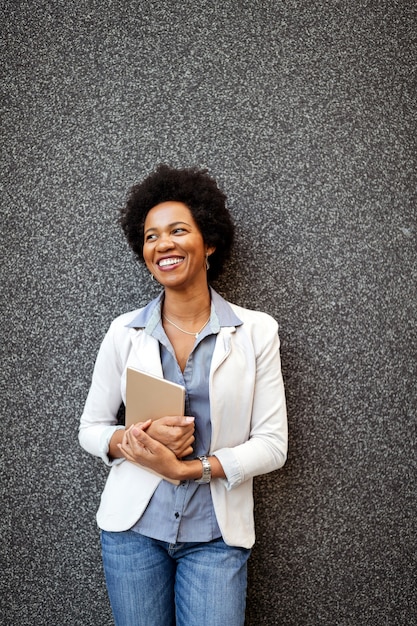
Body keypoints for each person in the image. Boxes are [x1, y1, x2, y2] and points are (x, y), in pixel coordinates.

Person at [79, 164, 288, 626]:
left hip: (215, 536)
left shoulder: (257, 332)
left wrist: (189, 469)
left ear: (209, 241)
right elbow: (91, 430)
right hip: (132, 534)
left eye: (178, 230)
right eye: (151, 236)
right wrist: (135, 439)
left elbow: (272, 446)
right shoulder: (123, 332)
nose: (163, 245)